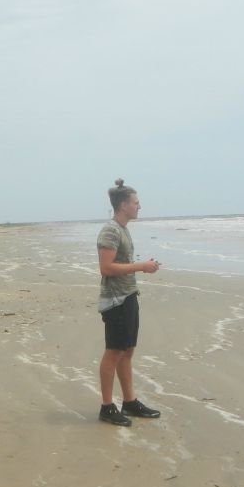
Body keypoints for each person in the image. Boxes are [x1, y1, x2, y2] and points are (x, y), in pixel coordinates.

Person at [96, 178, 163, 427]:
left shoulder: (123, 229)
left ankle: (129, 401)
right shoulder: (111, 230)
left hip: (128, 295)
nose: (139, 207)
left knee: (127, 351)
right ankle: (106, 406)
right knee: (113, 352)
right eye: (136, 202)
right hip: (115, 300)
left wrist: (142, 267)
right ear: (123, 205)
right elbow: (106, 267)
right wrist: (141, 266)